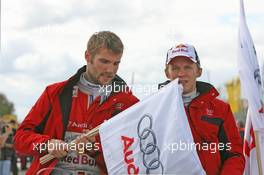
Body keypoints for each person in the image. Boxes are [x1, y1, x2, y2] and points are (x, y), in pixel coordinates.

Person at [14, 31, 139, 175]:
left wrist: (95, 149)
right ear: (88, 56)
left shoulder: (129, 103)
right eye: (104, 61)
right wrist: (46, 144)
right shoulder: (55, 93)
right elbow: (20, 138)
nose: (110, 70)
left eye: (116, 63)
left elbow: (135, 156)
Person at [158, 44, 245, 175]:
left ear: (199, 71)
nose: (181, 74)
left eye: (187, 67)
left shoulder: (221, 109)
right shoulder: (155, 109)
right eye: (175, 68)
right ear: (167, 73)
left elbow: (234, 154)